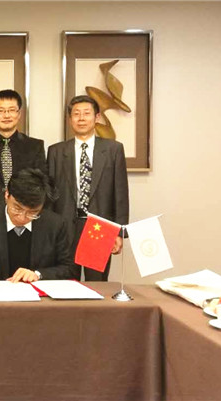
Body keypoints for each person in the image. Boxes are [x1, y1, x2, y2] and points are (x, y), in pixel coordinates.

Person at [47, 95, 129, 281]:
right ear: (70, 119)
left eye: (86, 113)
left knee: (97, 282)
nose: (81, 118)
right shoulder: (56, 151)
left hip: (100, 226)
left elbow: (120, 194)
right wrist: (48, 230)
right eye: (76, 114)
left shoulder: (113, 149)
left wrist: (119, 232)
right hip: (65, 227)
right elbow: (50, 195)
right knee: (65, 282)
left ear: (97, 117)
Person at [0, 168, 74, 284]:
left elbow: (68, 268)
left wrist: (38, 274)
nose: (22, 217)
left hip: (37, 294)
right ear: (7, 194)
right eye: (17, 208)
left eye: (32, 213)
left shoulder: (55, 224)